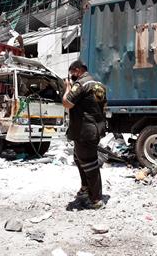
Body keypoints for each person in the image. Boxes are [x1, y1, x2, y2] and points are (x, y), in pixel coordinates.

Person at [62, 60, 108, 209]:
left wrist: (67, 88)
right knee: (79, 158)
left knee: (89, 164)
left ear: (77, 71)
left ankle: (96, 199)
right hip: (95, 129)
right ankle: (85, 189)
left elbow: (67, 103)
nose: (72, 77)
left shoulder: (80, 84)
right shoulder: (99, 85)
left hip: (84, 131)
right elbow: (104, 106)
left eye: (72, 74)